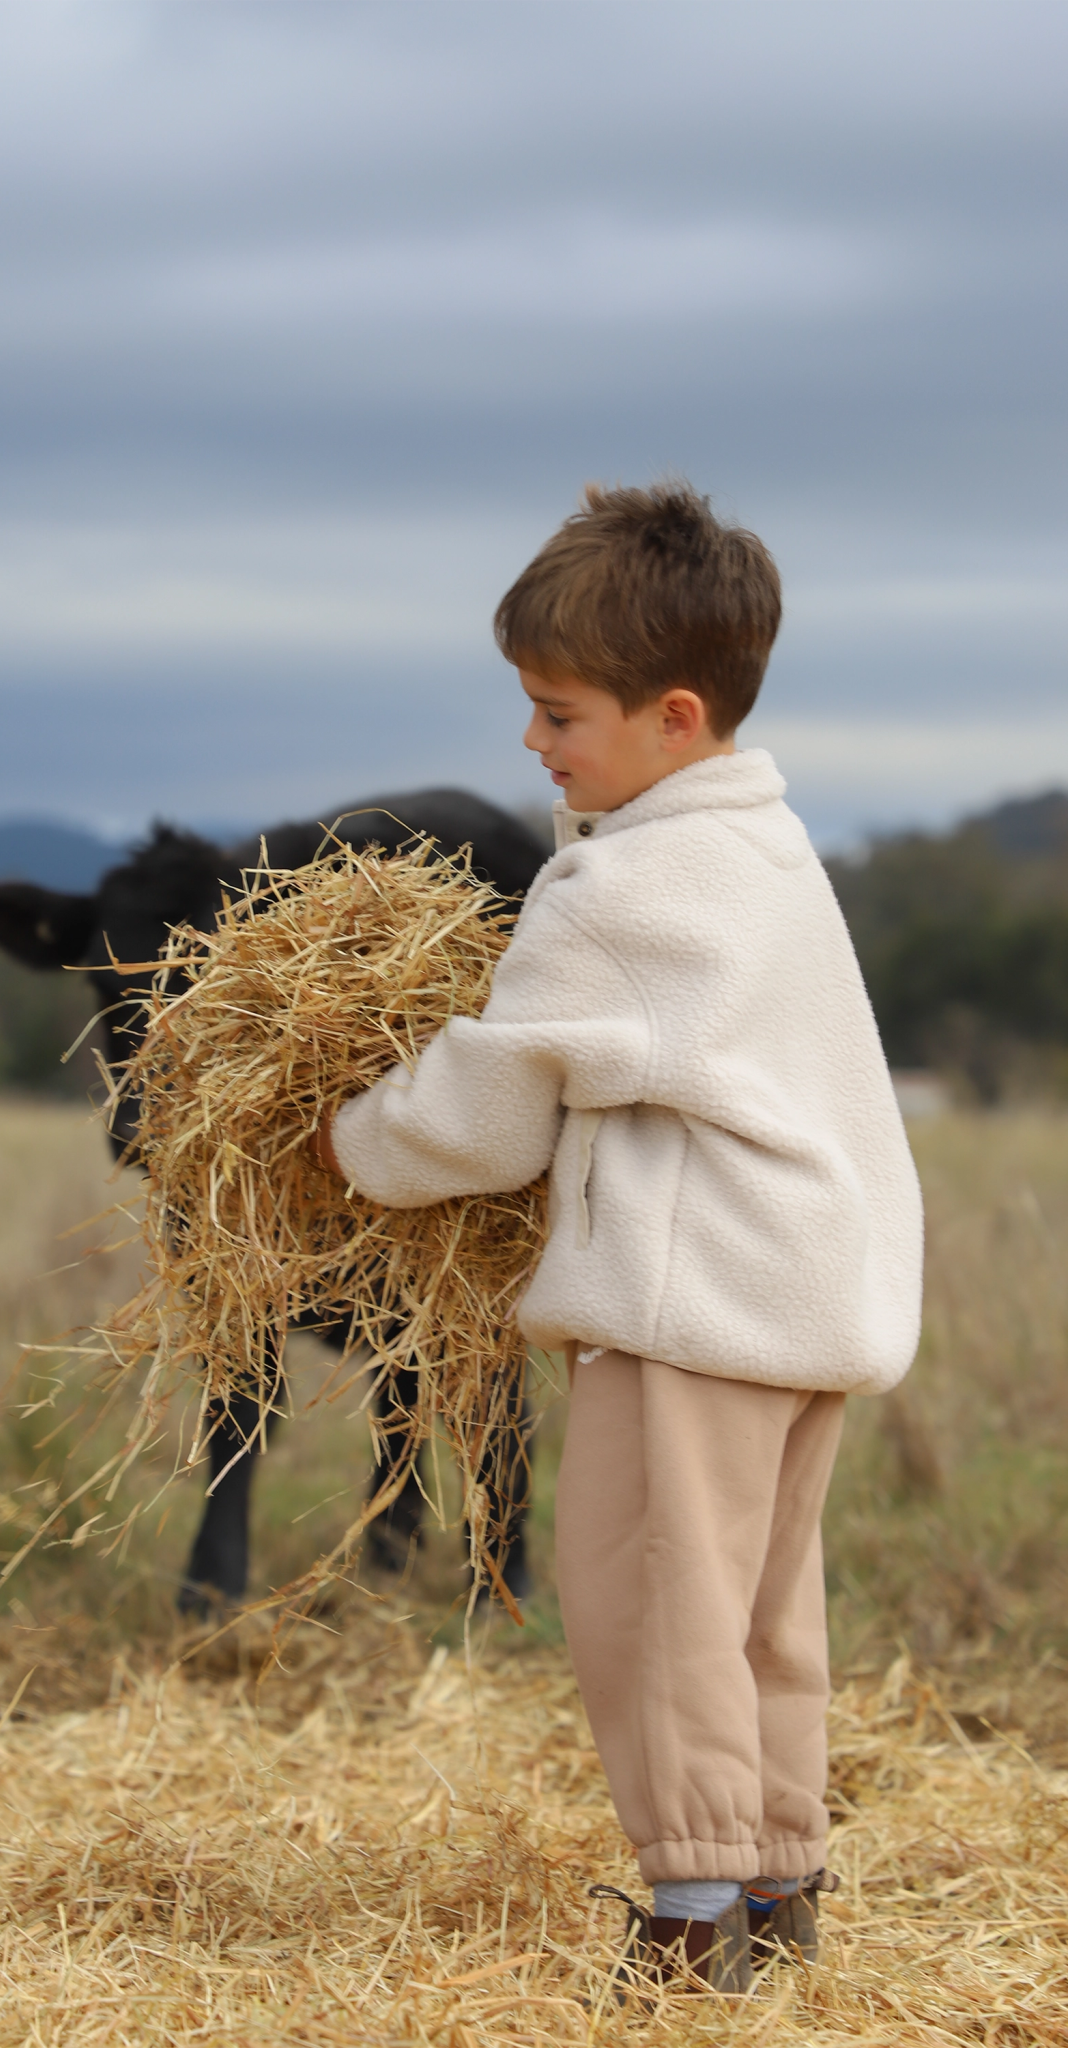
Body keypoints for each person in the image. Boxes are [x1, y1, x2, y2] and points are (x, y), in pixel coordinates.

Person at [314, 482, 923, 1993]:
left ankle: (693, 1912)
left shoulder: (623, 887)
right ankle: (780, 1881)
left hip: (692, 1307)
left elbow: (494, 1104)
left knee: (650, 1601)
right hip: (799, 1298)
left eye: (557, 713)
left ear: (670, 714)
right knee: (763, 1604)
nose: (534, 743)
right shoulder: (767, 849)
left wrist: (350, 1139)